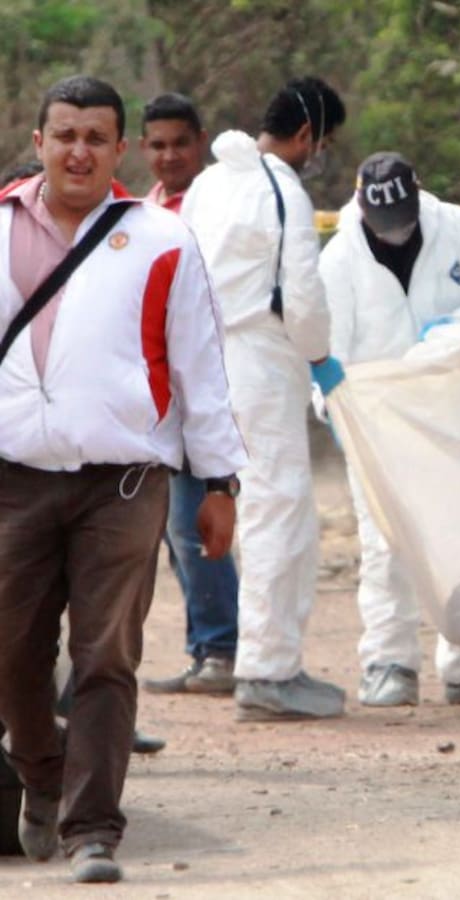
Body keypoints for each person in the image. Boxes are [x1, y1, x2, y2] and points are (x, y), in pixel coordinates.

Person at [0, 75, 245, 883]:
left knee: (105, 654)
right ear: (39, 142)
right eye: (64, 135)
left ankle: (92, 829)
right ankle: (41, 775)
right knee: (12, 652)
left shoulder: (160, 240)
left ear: (120, 150)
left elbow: (200, 368)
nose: (79, 150)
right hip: (14, 478)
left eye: (96, 138)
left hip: (126, 481)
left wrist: (218, 484)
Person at [318, 152, 460, 706]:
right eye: (384, 226)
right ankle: (387, 663)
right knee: (386, 543)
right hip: (378, 423)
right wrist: (333, 409)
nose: (395, 234)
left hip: (457, 411)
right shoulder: (339, 260)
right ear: (361, 206)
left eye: (404, 222)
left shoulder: (459, 230)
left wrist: (452, 332)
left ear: (419, 194)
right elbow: (324, 347)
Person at [182, 77, 348, 722]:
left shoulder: (210, 182)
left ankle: (256, 660)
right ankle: (269, 671)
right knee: (279, 511)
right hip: (260, 359)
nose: (319, 154)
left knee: (238, 506)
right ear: (307, 135)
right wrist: (319, 357)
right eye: (323, 143)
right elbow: (302, 297)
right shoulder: (284, 191)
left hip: (205, 360)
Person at [137, 92, 241, 697]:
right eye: (158, 144)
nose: (169, 154)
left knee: (194, 524)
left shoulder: (211, 206)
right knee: (178, 532)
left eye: (180, 142)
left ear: (200, 141)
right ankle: (210, 645)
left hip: (201, 392)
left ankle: (222, 649)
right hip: (159, 398)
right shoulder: (145, 210)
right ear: (143, 149)